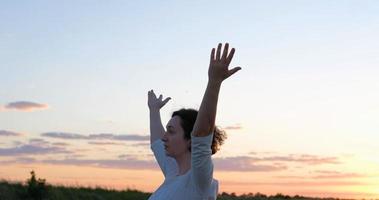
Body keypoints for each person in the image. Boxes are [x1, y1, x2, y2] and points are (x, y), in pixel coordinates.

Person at [147, 43, 241, 200]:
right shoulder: (173, 172)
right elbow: (157, 142)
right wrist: (154, 111)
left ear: (190, 140)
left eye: (171, 131)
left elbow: (202, 135)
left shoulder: (198, 181)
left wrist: (214, 82)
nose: (164, 137)